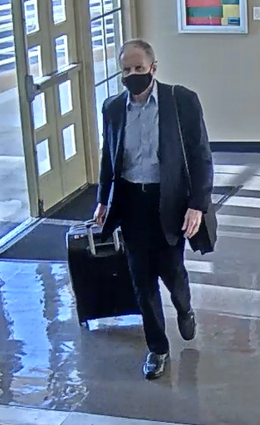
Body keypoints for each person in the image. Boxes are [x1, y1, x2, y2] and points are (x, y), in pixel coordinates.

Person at [94, 39, 214, 380]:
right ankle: (157, 349)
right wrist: (103, 198)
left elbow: (201, 156)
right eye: (126, 70)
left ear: (153, 68)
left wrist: (197, 206)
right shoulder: (113, 108)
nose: (132, 75)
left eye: (139, 69)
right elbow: (109, 156)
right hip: (131, 202)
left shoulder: (182, 102)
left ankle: (184, 308)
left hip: (168, 202)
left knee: (172, 273)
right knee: (141, 281)